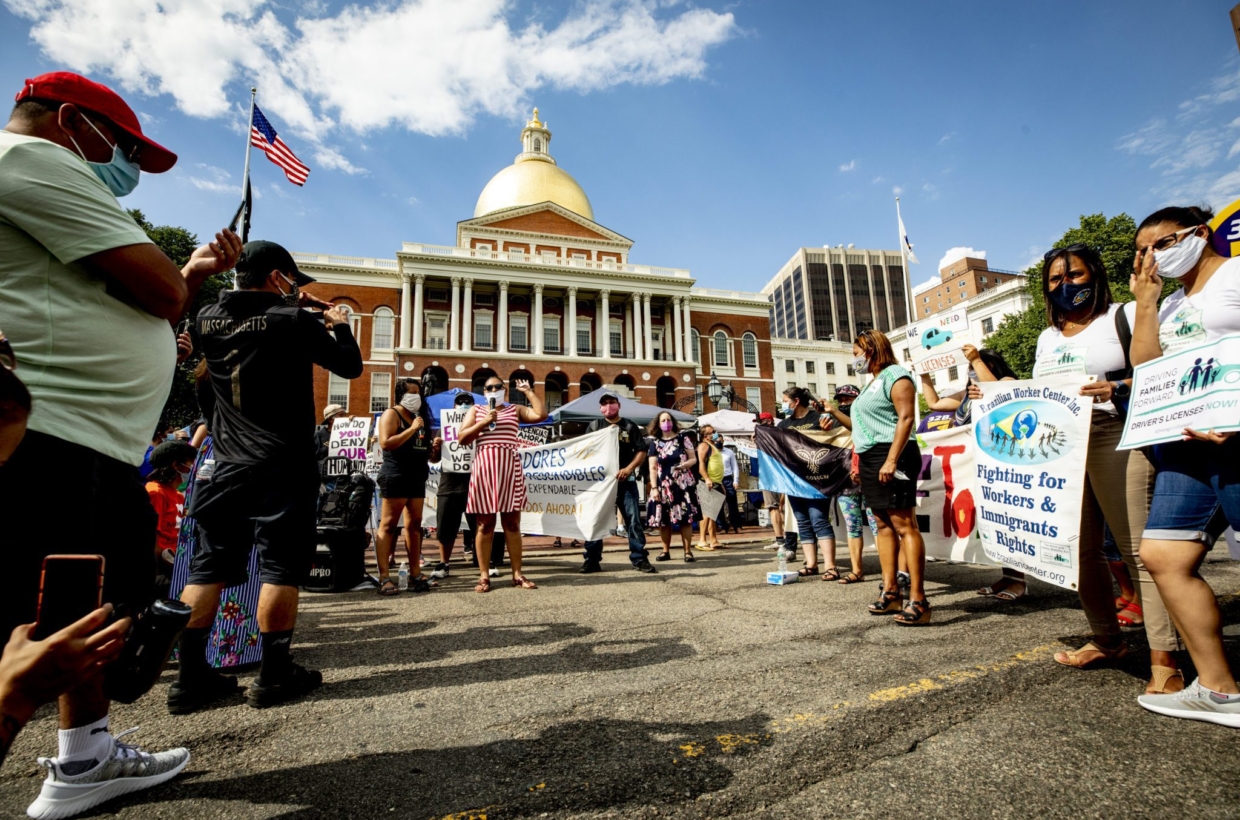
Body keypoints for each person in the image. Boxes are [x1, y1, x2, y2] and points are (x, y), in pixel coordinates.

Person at [0, 71, 243, 816]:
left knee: (86, 613)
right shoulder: (31, 159)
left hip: (87, 440)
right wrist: (181, 282)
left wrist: (191, 275)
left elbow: (149, 297)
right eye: (126, 146)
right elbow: (161, 293)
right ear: (72, 121)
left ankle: (87, 759)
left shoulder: (50, 183)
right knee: (32, 629)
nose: (128, 165)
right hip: (51, 437)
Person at [173, 240, 362, 714]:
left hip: (225, 463)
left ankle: (190, 677)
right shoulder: (291, 320)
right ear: (277, 278)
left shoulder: (206, 319)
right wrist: (338, 324)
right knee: (280, 567)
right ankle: (274, 672)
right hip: (281, 462)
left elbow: (233, 345)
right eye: (292, 279)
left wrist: (289, 306)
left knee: (207, 568)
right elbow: (349, 365)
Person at [1029, 244, 1181, 697]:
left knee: (1139, 551)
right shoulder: (1047, 337)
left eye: (1074, 275)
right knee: (1081, 551)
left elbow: (1163, 371)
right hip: (1061, 448)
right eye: (1056, 280)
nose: (1066, 285)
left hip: (1117, 436)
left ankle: (1165, 660)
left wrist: (1115, 387)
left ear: (1094, 275)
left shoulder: (1126, 316)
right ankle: (1106, 639)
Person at [1127, 206, 1240, 725]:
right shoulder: (1167, 304)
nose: (1150, 258)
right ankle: (1218, 689)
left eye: (1162, 244)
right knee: (1163, 556)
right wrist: (1146, 306)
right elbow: (1148, 369)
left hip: (1235, 440)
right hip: (1186, 447)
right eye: (1142, 251)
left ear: (1199, 234)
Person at [919, 346, 1027, 601]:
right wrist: (924, 375)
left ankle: (1019, 581)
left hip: (1001, 465)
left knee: (1006, 520)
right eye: (969, 367)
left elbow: (1001, 395)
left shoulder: (1006, 381)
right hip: (974, 467)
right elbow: (934, 403)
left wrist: (977, 359)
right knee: (988, 521)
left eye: (976, 366)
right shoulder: (966, 395)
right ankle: (1008, 576)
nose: (972, 371)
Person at [846, 330, 929, 625]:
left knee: (904, 524)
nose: (854, 358)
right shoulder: (871, 384)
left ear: (871, 349)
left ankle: (918, 599)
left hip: (894, 453)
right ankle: (891, 591)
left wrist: (892, 459)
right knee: (882, 524)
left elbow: (906, 418)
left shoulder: (897, 375)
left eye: (857, 353)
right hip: (871, 457)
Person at [458, 376, 547, 592]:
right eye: (489, 387)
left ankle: (517, 574)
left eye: (498, 387)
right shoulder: (477, 410)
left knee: (512, 524)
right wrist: (483, 423)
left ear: (504, 390)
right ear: (484, 391)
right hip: (485, 468)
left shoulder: (514, 409)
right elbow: (462, 438)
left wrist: (528, 392)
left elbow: (540, 414)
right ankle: (484, 575)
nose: (494, 389)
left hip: (509, 468)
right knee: (484, 524)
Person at [580, 392, 653, 574]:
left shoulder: (629, 426)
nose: (608, 406)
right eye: (604, 403)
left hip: (625, 481)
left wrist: (629, 468)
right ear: (600, 408)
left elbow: (642, 450)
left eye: (611, 402)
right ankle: (592, 560)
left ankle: (639, 558)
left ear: (618, 405)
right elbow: (585, 450)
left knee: (633, 519)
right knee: (595, 520)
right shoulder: (594, 426)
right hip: (600, 484)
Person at [375, 378, 435, 595]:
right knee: (389, 525)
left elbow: (425, 452)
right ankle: (384, 577)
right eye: (412, 392)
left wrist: (435, 449)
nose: (416, 396)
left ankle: (415, 573)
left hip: (417, 477)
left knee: (415, 526)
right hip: (396, 475)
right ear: (401, 394)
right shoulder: (392, 414)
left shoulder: (420, 418)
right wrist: (412, 429)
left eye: (418, 392)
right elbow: (386, 442)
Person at [778, 387, 838, 578]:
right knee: (802, 521)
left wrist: (828, 428)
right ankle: (811, 564)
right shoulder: (783, 424)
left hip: (817, 480)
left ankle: (830, 566)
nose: (783, 404)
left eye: (785, 400)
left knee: (818, 519)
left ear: (796, 401)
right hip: (794, 480)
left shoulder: (817, 419)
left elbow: (836, 438)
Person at [817, 385, 870, 584]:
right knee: (853, 526)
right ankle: (857, 570)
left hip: (868, 477)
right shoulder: (832, 423)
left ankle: (892, 571)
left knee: (878, 525)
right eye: (840, 399)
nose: (843, 402)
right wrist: (824, 433)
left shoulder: (865, 418)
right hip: (845, 482)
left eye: (848, 398)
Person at [429, 392, 479, 579]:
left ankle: (483, 562)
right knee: (446, 527)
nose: (464, 404)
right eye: (460, 402)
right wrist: (434, 447)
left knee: (479, 527)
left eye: (468, 402)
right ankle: (444, 563)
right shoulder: (444, 429)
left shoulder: (479, 427)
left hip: (475, 485)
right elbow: (434, 460)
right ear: (454, 407)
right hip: (449, 485)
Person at [646, 411, 698, 562]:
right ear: (658, 423)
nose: (666, 422)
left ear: (673, 422)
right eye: (663, 420)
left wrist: (685, 465)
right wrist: (654, 488)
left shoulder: (683, 438)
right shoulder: (654, 443)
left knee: (685, 518)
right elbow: (653, 468)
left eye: (668, 419)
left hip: (682, 483)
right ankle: (665, 551)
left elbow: (693, 458)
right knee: (664, 520)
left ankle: (688, 551)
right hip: (664, 486)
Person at [145, 441, 197, 577]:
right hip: (162, 568)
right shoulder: (155, 493)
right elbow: (150, 540)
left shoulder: (178, 496)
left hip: (175, 561)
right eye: (191, 464)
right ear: (176, 465)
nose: (193, 469)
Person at [755, 412, 790, 551]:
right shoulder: (780, 434)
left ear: (768, 422)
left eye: (760, 422)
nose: (757, 425)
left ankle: (781, 540)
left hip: (771, 474)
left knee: (774, 507)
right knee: (781, 507)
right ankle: (787, 538)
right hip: (779, 473)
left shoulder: (770, 436)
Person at [695, 424, 726, 550]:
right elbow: (701, 464)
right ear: (705, 436)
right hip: (707, 482)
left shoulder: (713, 445)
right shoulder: (704, 445)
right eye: (712, 432)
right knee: (706, 512)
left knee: (712, 513)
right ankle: (702, 540)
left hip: (716, 482)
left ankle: (713, 540)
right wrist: (707, 478)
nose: (715, 433)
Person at [716, 436, 743, 535]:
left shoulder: (729, 452)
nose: (718, 442)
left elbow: (735, 467)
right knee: (718, 504)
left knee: (732, 503)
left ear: (723, 441)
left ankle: (737, 526)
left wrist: (736, 481)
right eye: (716, 441)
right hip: (717, 479)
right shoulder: (711, 452)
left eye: (720, 441)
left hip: (728, 478)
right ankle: (723, 526)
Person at [314, 403, 345, 479]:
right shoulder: (319, 435)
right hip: (326, 479)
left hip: (345, 478)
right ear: (330, 419)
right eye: (341, 415)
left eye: (345, 415)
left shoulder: (348, 435)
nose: (345, 418)